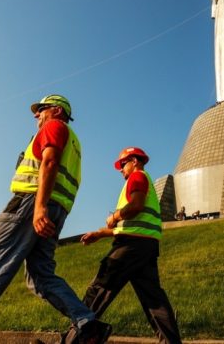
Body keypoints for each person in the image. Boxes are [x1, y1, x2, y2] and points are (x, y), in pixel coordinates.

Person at [0, 95, 111, 344]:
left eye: (41, 109)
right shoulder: (75, 143)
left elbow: (49, 162)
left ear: (57, 111)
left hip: (30, 204)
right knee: (40, 276)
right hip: (56, 209)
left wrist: (39, 208)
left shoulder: (54, 126)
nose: (36, 115)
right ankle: (87, 325)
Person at [65, 147, 182, 344]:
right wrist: (101, 233)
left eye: (122, 163)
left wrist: (114, 216)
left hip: (130, 247)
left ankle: (71, 341)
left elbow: (135, 207)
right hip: (146, 247)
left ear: (134, 161)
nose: (120, 169)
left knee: (99, 289)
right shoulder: (145, 182)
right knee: (154, 301)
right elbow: (132, 225)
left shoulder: (137, 178)